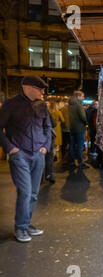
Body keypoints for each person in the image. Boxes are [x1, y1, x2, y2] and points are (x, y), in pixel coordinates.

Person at [0, 75, 51, 242]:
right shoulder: (11, 104)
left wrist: (45, 147)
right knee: (25, 192)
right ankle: (20, 227)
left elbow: (47, 126)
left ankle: (26, 224)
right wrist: (10, 148)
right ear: (28, 88)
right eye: (40, 89)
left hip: (38, 153)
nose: (43, 92)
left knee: (34, 193)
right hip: (19, 154)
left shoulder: (42, 105)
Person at [68, 91, 89, 169]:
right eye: (82, 96)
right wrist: (86, 123)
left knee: (72, 146)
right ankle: (80, 162)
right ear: (78, 96)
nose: (83, 98)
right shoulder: (79, 105)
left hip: (71, 128)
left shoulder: (70, 105)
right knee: (80, 146)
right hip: (79, 128)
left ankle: (71, 162)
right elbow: (83, 117)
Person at [44, 101, 57, 183]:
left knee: (40, 157)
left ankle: (39, 177)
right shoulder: (47, 112)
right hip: (47, 137)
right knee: (49, 157)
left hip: (37, 138)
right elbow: (54, 124)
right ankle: (48, 175)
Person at [60, 99, 70, 167]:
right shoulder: (71, 109)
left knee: (63, 142)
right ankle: (68, 156)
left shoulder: (61, 109)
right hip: (70, 129)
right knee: (70, 142)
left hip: (63, 128)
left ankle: (63, 155)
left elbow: (61, 120)